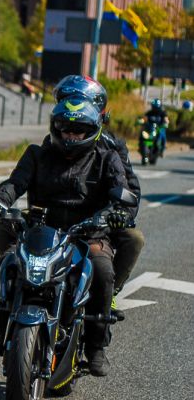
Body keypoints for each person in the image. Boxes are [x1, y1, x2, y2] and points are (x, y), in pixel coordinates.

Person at [0, 98, 130, 377]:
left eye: (79, 129)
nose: (70, 135)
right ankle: (5, 332)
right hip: (41, 231)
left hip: (87, 233)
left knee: (102, 269)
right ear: (55, 127)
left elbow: (120, 191)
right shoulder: (36, 154)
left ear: (92, 130)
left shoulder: (106, 159)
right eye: (64, 128)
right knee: (7, 264)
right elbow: (15, 183)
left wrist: (117, 212)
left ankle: (96, 347)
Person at [52, 75, 144, 302]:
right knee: (4, 226)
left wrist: (120, 215)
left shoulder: (112, 148)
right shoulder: (53, 141)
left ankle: (109, 292)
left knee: (134, 238)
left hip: (98, 219)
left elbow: (130, 189)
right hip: (55, 220)